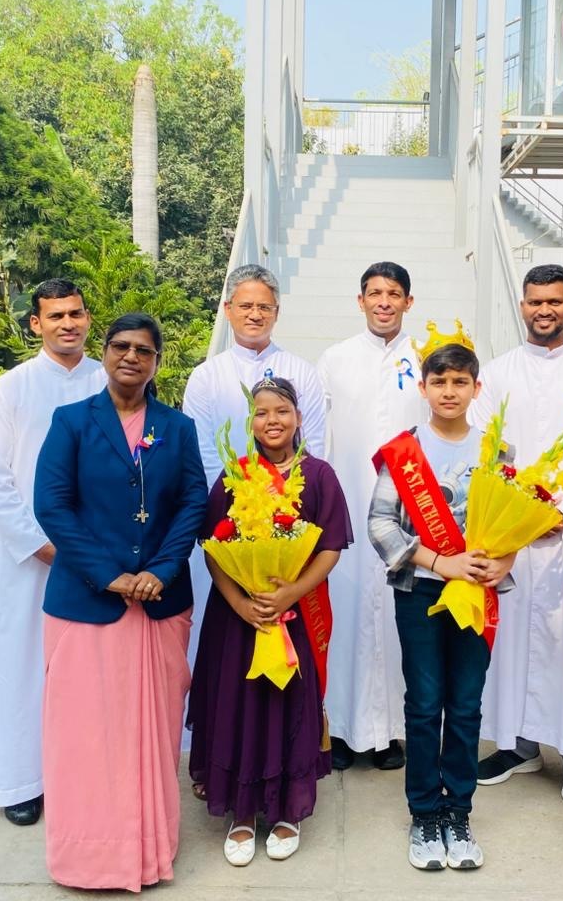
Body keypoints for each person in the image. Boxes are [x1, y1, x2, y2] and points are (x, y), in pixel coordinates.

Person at [33, 313, 209, 892]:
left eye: (144, 350)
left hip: (160, 601)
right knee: (84, 735)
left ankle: (149, 851)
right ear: (105, 353)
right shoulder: (71, 422)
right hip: (87, 602)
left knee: (151, 734)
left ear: (157, 362)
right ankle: (85, 857)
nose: (131, 357)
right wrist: (111, 576)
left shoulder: (177, 428)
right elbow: (52, 505)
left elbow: (193, 502)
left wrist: (159, 570)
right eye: (121, 346)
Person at [188, 376, 352, 866]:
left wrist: (291, 594)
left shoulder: (318, 475)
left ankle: (286, 811)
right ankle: (241, 812)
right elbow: (213, 548)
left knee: (287, 706)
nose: (272, 420)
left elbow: (329, 547)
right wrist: (241, 603)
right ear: (250, 421)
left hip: (294, 615)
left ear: (298, 417)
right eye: (261, 412)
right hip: (238, 618)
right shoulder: (235, 475)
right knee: (239, 704)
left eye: (281, 410)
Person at [368, 337, 516, 871]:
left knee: (467, 703)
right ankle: (425, 812)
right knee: (426, 703)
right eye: (439, 381)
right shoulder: (404, 451)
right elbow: (379, 524)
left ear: (477, 388)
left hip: (476, 592)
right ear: (423, 387)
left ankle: (459, 811)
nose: (449, 391)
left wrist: (506, 558)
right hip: (422, 592)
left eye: (460, 382)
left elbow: (516, 519)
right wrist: (438, 561)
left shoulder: (497, 451)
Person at [473, 264, 563, 803]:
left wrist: (562, 510)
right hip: (511, 536)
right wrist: (512, 511)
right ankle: (518, 745)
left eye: (554, 301)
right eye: (535, 302)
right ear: (523, 306)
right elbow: (486, 448)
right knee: (511, 643)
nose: (544, 310)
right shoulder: (497, 373)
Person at [0, 278, 106, 826]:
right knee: (21, 666)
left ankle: (87, 778)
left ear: (88, 319)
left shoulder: (110, 379)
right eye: (56, 316)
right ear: (36, 323)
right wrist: (41, 544)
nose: (68, 324)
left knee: (93, 671)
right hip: (32, 557)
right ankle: (21, 781)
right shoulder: (10, 389)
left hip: (99, 557)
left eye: (76, 314)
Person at [182, 264, 326, 669]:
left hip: (289, 526)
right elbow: (203, 454)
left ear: (277, 312)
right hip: (227, 526)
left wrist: (283, 520)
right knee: (227, 640)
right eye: (245, 306)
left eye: (264, 307)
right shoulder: (206, 376)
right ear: (227, 309)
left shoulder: (303, 372)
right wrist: (237, 516)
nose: (255, 314)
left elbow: (313, 445)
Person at [316, 262, 429, 772]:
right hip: (348, 504)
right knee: (346, 616)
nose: (384, 302)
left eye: (394, 293)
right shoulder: (334, 360)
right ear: (360, 300)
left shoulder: (425, 356)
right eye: (375, 293)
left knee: (398, 621)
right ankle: (340, 729)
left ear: (409, 301)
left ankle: (389, 735)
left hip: (408, 513)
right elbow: (318, 436)